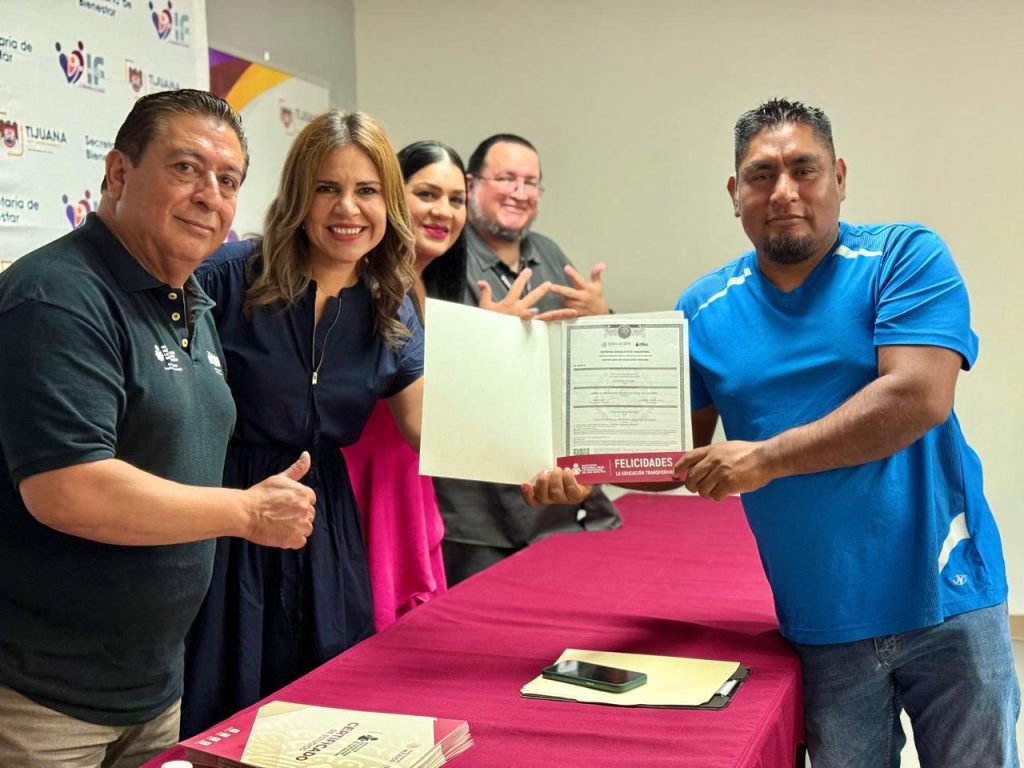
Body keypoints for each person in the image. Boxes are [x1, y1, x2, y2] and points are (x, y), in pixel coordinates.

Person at [526, 98, 1021, 767]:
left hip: (948, 600)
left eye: (803, 169)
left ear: (839, 177)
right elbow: (673, 455)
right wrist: (585, 471)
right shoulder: (703, 308)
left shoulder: (904, 256)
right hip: (822, 620)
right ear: (735, 194)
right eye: (761, 175)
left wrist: (767, 458)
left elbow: (917, 396)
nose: (783, 191)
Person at [0, 89, 316, 767]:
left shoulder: (188, 301)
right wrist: (245, 511)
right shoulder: (57, 295)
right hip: (37, 702)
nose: (209, 196)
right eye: (185, 168)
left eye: (227, 180)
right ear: (118, 173)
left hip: (152, 689)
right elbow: (68, 490)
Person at [180, 111, 426, 737]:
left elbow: (428, 427)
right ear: (297, 196)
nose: (348, 208)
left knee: (321, 709)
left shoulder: (392, 303)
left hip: (323, 522)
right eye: (326, 188)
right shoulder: (221, 278)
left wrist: (533, 461)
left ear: (389, 204)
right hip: (224, 511)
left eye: (367, 190)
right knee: (216, 699)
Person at [342, 140, 577, 630]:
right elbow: (423, 415)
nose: (443, 212)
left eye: (454, 200)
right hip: (366, 483)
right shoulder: (365, 282)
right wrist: (488, 347)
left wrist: (488, 342)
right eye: (426, 194)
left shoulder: (432, 288)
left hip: (414, 484)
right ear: (391, 195)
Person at [433, 133, 622, 585]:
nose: (519, 192)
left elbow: (589, 366)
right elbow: (424, 379)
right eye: (506, 178)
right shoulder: (443, 259)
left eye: (530, 182)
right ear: (471, 184)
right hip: (478, 517)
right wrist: (485, 335)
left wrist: (603, 318)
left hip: (560, 503)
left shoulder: (548, 253)